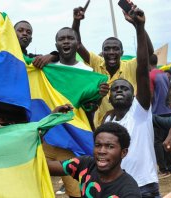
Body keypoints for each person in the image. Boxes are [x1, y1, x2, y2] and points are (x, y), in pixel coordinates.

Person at [42, 27, 109, 198]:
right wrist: (51, 56)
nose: (65, 41)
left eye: (70, 38)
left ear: (77, 44)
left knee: (77, 192)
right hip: (46, 139)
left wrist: (98, 97)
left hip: (72, 139)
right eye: (61, 39)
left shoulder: (87, 73)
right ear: (56, 44)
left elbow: (90, 108)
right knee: (38, 188)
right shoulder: (45, 68)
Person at [102, 7, 160, 197]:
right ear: (109, 98)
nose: (119, 90)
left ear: (135, 94)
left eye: (124, 88)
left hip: (144, 187)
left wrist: (139, 27)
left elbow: (142, 68)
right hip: (116, 188)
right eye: (115, 88)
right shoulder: (107, 122)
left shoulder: (140, 110)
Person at [72, 4, 154, 128]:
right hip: (103, 126)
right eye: (107, 49)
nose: (111, 52)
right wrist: (76, 21)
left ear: (122, 53)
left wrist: (137, 25)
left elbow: (148, 52)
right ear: (102, 52)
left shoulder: (130, 66)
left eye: (115, 49)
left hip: (129, 125)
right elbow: (77, 45)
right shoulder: (96, 62)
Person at [47, 121, 141, 197]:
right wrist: (48, 123)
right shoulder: (85, 165)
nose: (101, 151)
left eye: (110, 146)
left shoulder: (129, 191)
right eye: (98, 145)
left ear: (123, 152)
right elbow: (45, 167)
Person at [149, 54, 171, 178]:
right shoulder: (163, 74)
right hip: (168, 111)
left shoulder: (151, 75)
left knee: (157, 142)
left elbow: (150, 95)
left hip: (157, 112)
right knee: (167, 140)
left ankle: (163, 170)